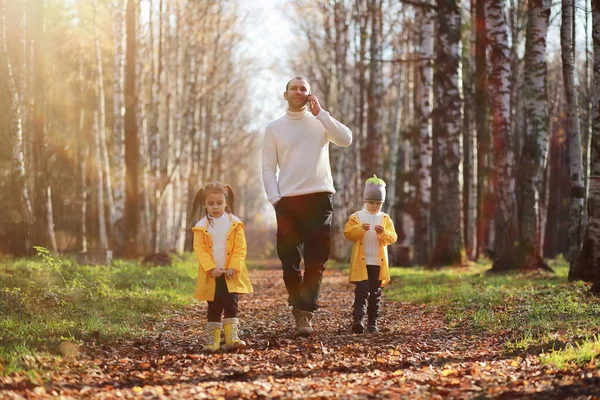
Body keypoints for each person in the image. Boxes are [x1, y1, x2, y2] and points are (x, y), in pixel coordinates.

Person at [262, 76, 353, 335]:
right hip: (288, 201)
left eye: (304, 89)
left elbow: (346, 139)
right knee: (289, 260)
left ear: (309, 95)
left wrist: (321, 113)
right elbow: (268, 168)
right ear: (285, 93)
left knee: (316, 260)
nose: (298, 92)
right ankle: (297, 306)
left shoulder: (320, 122)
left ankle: (306, 313)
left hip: (319, 198)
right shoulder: (274, 128)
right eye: (294, 88)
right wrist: (275, 199)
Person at [188, 182, 253, 351]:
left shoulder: (235, 224)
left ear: (226, 203)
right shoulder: (201, 227)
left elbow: (240, 248)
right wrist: (211, 268)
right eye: (211, 204)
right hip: (213, 275)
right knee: (214, 305)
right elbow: (200, 250)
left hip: (231, 273)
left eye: (219, 203)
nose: (215, 207)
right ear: (205, 204)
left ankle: (232, 338)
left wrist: (234, 266)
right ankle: (213, 341)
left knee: (231, 304)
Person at [344, 175, 397, 333]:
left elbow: (393, 237)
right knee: (361, 292)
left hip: (378, 263)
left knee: (375, 293)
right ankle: (358, 320)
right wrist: (360, 229)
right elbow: (348, 233)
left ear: (382, 203)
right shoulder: (357, 217)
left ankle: (372, 322)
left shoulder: (385, 218)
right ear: (364, 201)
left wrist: (383, 233)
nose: (374, 206)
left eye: (378, 203)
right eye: (371, 202)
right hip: (362, 262)